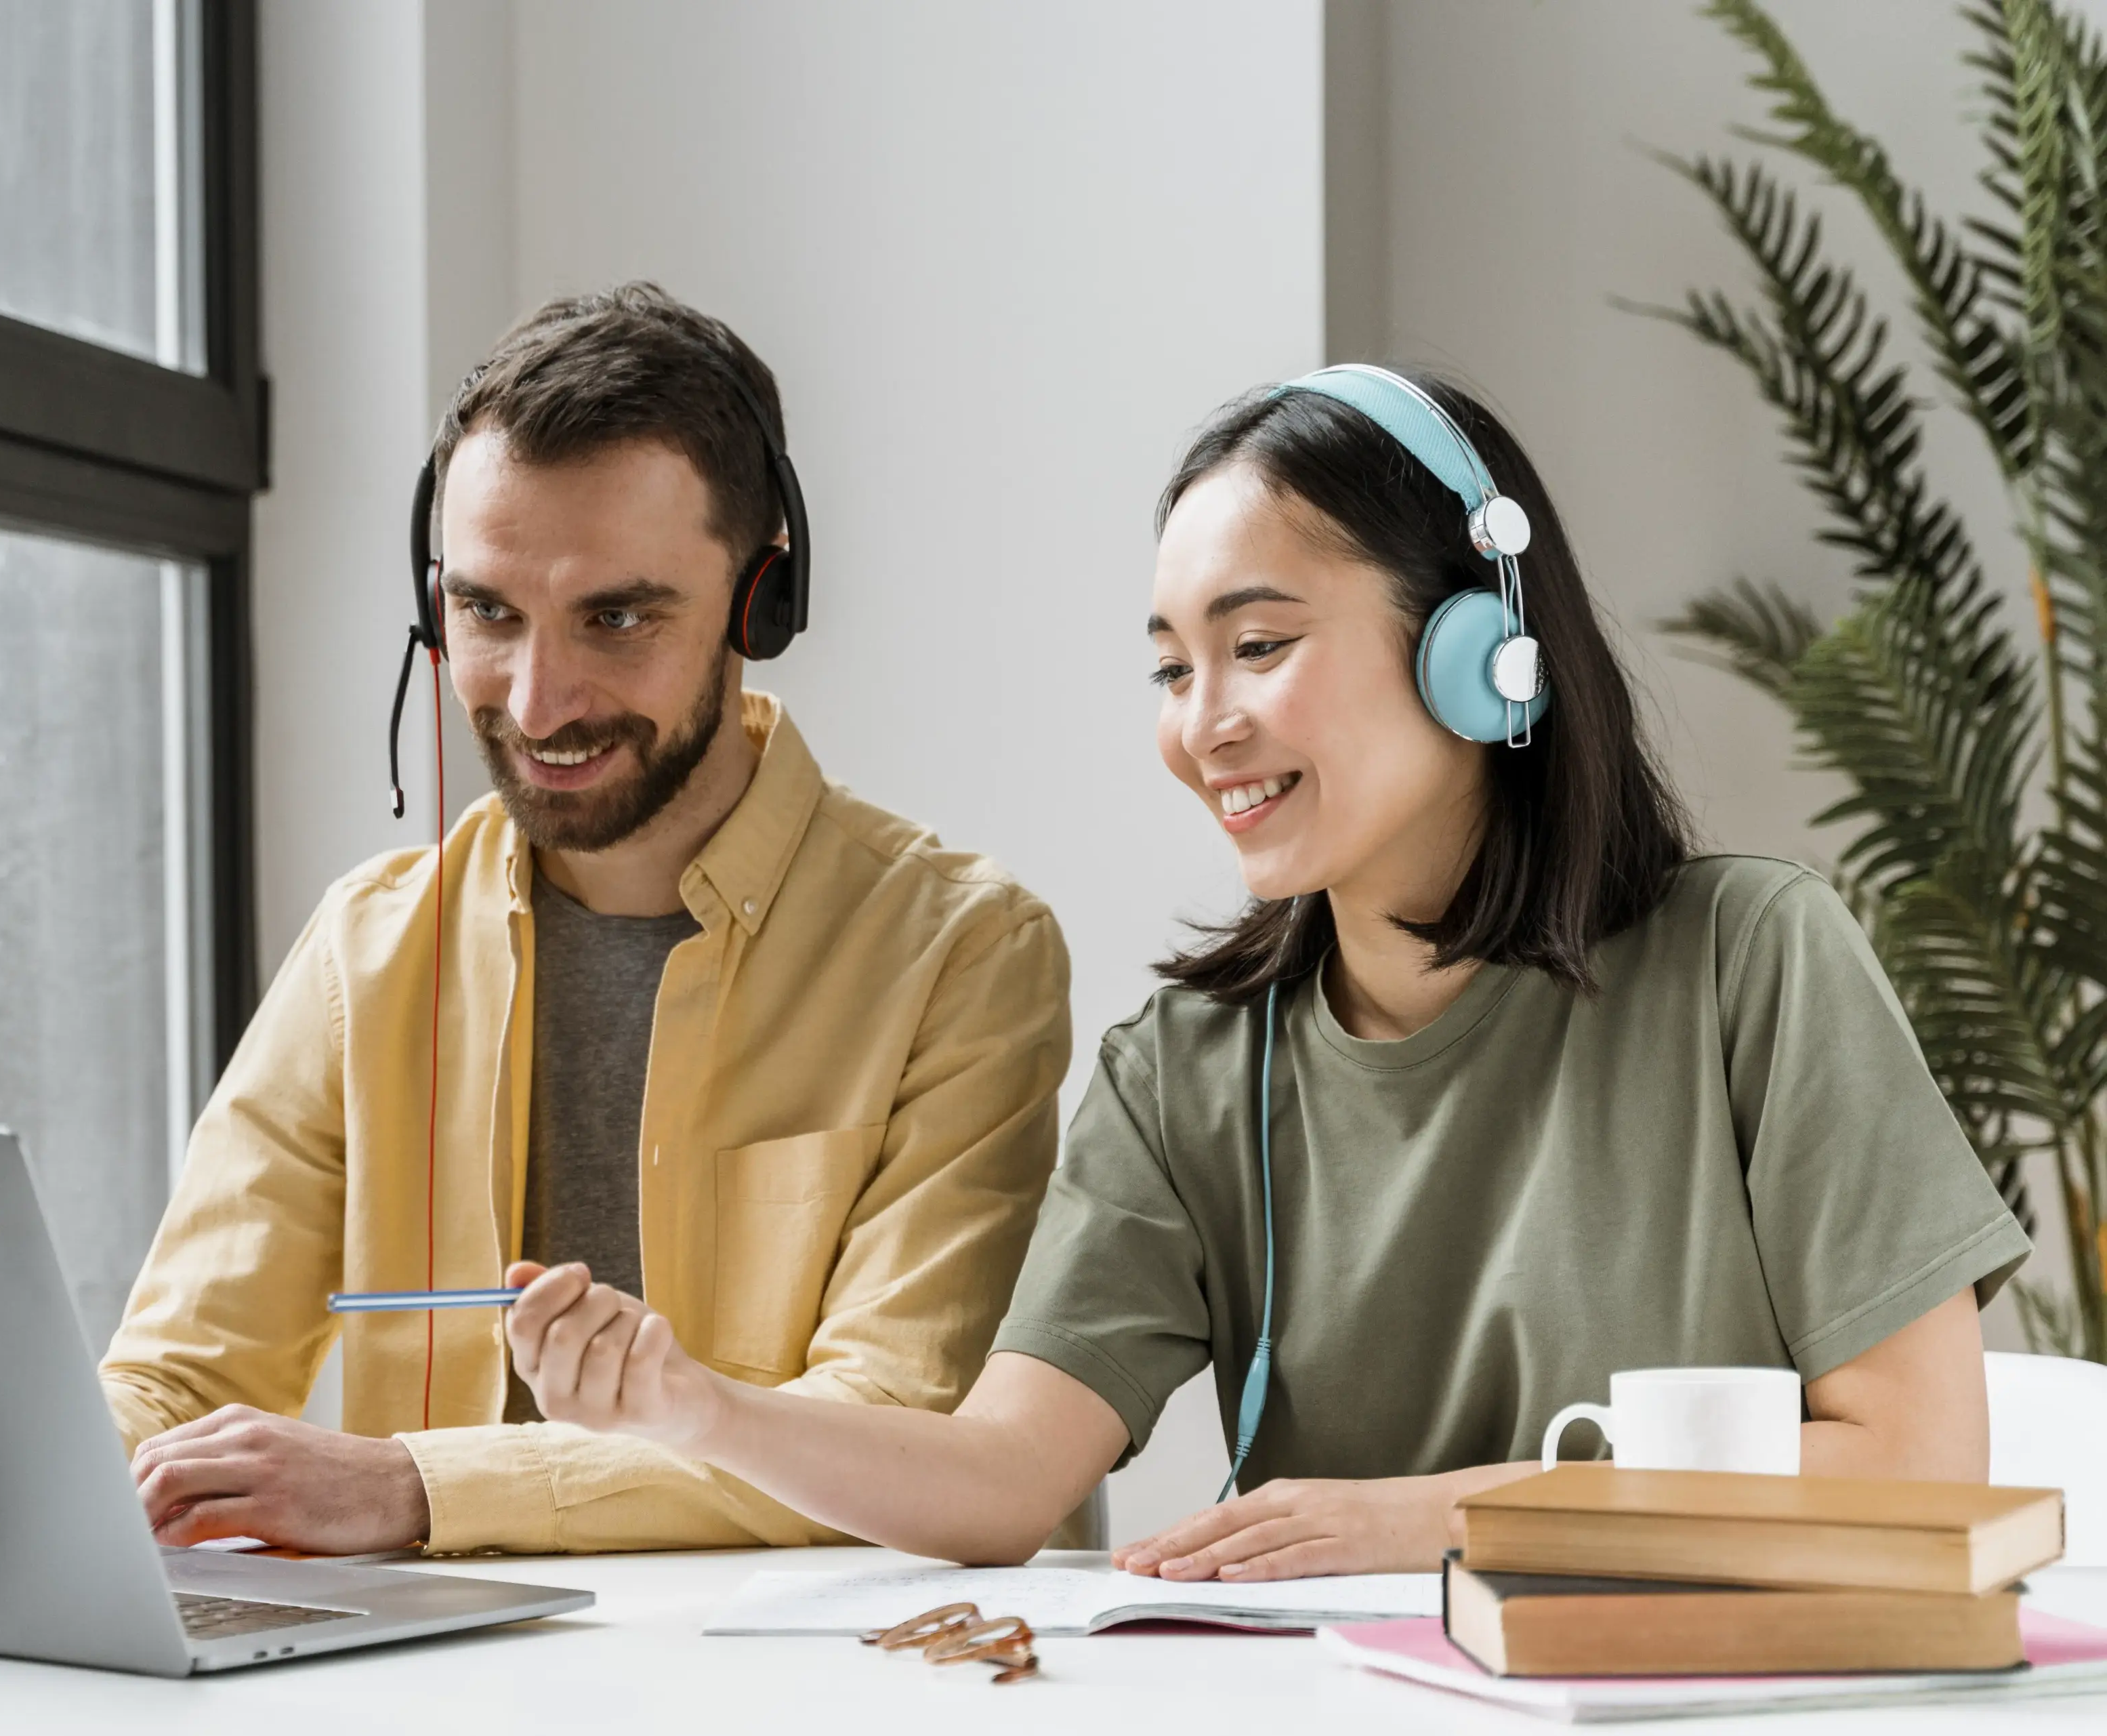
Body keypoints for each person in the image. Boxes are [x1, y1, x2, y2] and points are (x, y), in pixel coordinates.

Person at [495, 364, 2032, 1580]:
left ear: (1476, 649)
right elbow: (1003, 1482)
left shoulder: (1752, 964)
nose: (1202, 721)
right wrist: (695, 1409)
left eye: (1260, 644)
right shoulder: (1185, 1070)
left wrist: (1437, 1514)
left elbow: (1915, 1460)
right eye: (1173, 666)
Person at [103, 284, 1070, 1556]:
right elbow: (179, 1379)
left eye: (617, 617)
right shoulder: (370, 949)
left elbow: (892, 1429)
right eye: (488, 613)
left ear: (757, 601)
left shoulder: (963, 951)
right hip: (432, 1680)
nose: (539, 699)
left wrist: (416, 1487)